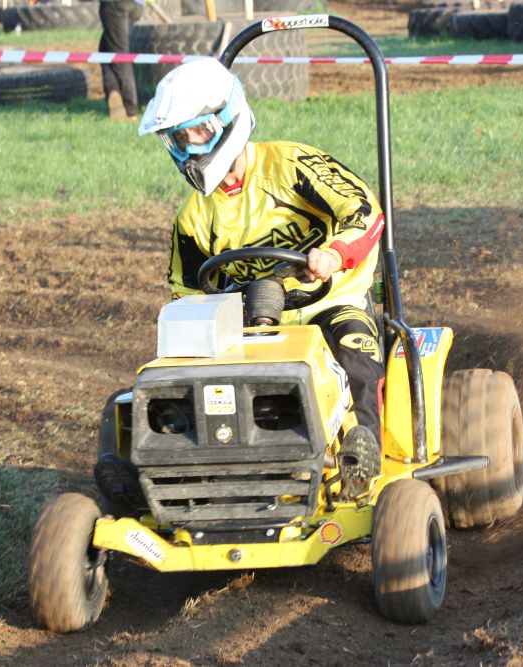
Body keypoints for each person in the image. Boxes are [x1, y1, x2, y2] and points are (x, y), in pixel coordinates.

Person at [138, 58, 387, 469]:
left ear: (227, 120)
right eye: (177, 140)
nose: (189, 150)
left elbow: (364, 210)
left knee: (355, 358)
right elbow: (186, 295)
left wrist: (334, 253)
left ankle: (361, 459)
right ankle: (185, 466)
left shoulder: (291, 166)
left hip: (329, 304)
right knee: (190, 380)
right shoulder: (193, 218)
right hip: (250, 324)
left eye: (197, 134)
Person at [98, 0, 143, 121]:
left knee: (120, 55)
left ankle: (130, 110)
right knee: (105, 50)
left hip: (115, 5)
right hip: (136, 5)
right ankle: (113, 91)